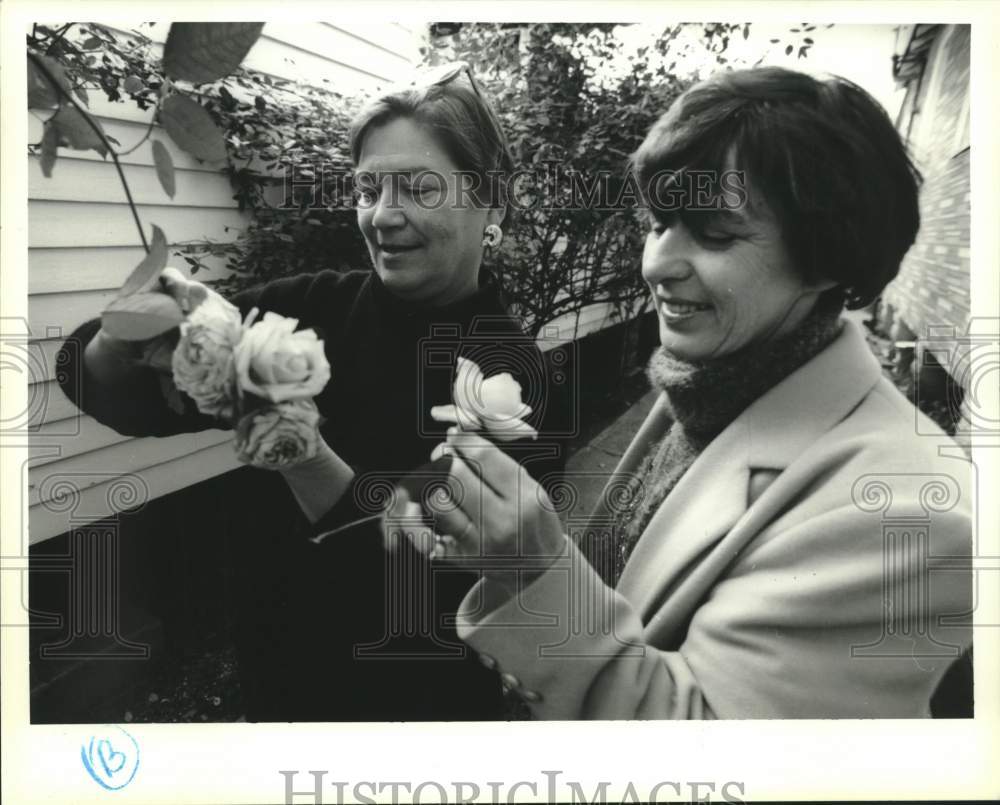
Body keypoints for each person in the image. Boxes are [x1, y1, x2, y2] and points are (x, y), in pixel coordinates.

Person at [387, 67, 974, 718]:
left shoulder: (908, 516)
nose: (656, 264)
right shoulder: (712, 378)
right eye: (658, 222)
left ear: (830, 257)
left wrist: (535, 571)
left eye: (716, 233)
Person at [57, 63, 568, 721]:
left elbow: (409, 580)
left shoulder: (510, 381)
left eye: (418, 188)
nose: (384, 215)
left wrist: (295, 444)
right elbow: (111, 390)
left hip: (418, 720)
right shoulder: (306, 308)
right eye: (368, 188)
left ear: (491, 201)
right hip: (277, 699)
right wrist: (131, 337)